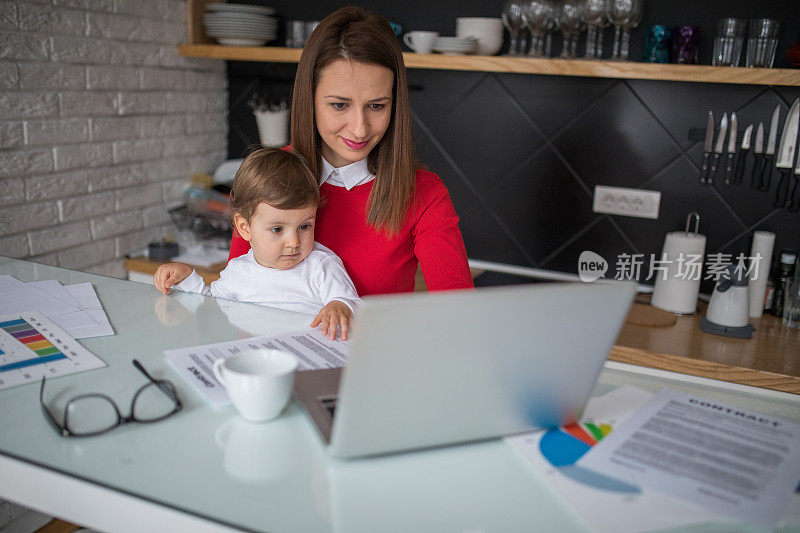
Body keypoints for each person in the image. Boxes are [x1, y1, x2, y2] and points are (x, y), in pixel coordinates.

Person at [228, 6, 474, 296]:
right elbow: (236, 296)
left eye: (377, 106)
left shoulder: (424, 194)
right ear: (310, 99)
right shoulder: (269, 177)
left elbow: (459, 313)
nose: (360, 129)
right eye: (339, 105)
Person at [154, 148, 361, 340]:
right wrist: (187, 278)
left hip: (309, 357)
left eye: (305, 226)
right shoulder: (238, 271)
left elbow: (352, 304)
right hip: (257, 360)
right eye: (278, 229)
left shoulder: (321, 265)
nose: (294, 242)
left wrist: (340, 305)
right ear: (244, 228)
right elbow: (212, 306)